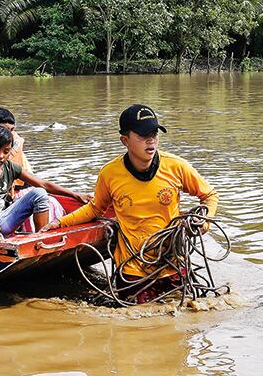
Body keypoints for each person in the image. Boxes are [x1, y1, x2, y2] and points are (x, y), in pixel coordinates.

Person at [42, 104, 220, 302]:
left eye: (154, 133)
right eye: (143, 135)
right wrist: (60, 223)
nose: (151, 140)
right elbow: (95, 208)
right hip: (132, 270)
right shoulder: (110, 174)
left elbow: (210, 195)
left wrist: (204, 221)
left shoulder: (176, 166)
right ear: (125, 140)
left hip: (172, 265)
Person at [0, 124, 89, 240]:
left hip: (1, 221)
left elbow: (43, 184)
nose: (1, 156)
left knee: (39, 193)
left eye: (6, 151)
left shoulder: (10, 167)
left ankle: (40, 239)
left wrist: (75, 195)